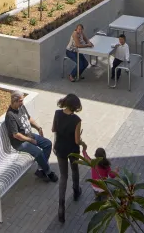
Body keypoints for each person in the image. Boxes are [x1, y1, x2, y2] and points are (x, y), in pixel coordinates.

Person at [4, 90, 57, 182]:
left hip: (29, 135)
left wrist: (38, 128)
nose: (22, 103)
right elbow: (16, 135)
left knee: (48, 144)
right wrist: (31, 140)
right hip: (20, 142)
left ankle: (40, 170)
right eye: (21, 101)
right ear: (14, 101)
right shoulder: (10, 116)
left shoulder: (21, 107)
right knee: (38, 152)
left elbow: (29, 118)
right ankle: (48, 172)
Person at [51, 94, 86, 222]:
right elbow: (77, 141)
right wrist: (82, 142)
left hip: (60, 149)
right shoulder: (77, 120)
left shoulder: (57, 113)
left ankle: (61, 206)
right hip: (72, 150)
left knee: (63, 176)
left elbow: (53, 129)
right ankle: (76, 191)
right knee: (75, 170)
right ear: (75, 106)